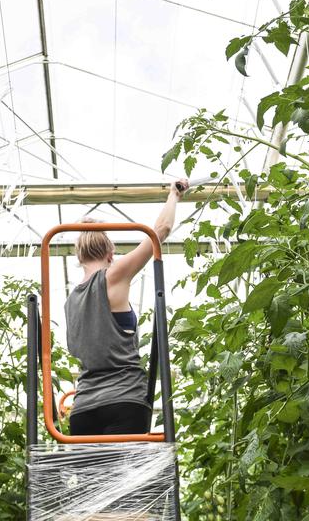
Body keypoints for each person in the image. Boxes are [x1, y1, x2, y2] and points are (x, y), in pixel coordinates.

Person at [64, 179, 189, 436]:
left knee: (92, 479)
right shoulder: (113, 275)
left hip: (83, 411)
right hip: (123, 402)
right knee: (125, 478)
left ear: (79, 257)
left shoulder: (70, 302)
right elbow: (161, 230)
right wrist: (174, 194)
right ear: (110, 254)